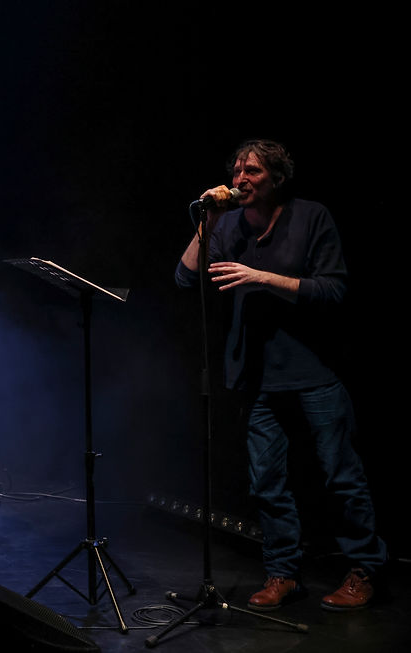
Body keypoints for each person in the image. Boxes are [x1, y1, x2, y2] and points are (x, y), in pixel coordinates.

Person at [175, 139, 387, 611]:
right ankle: (282, 573)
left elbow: (333, 290)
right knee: (267, 481)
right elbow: (186, 277)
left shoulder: (311, 217)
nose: (240, 178)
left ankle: (365, 570)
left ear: (277, 178)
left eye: (252, 171)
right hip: (257, 376)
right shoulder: (227, 224)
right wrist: (206, 221)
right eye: (236, 170)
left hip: (314, 370)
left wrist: (261, 277)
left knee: (340, 477)